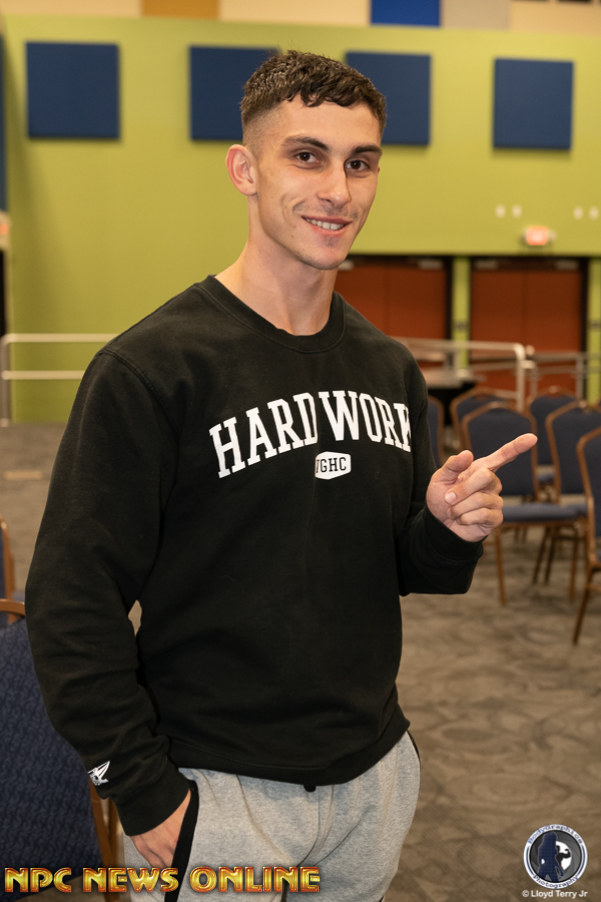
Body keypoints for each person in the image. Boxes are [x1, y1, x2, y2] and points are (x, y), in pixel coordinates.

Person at [26, 50, 536, 901]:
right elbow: (71, 599)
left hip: (370, 778)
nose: (338, 189)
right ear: (245, 169)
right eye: (306, 156)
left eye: (360, 162)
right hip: (215, 788)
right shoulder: (153, 369)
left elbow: (400, 568)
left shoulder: (386, 368)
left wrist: (445, 529)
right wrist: (142, 790)